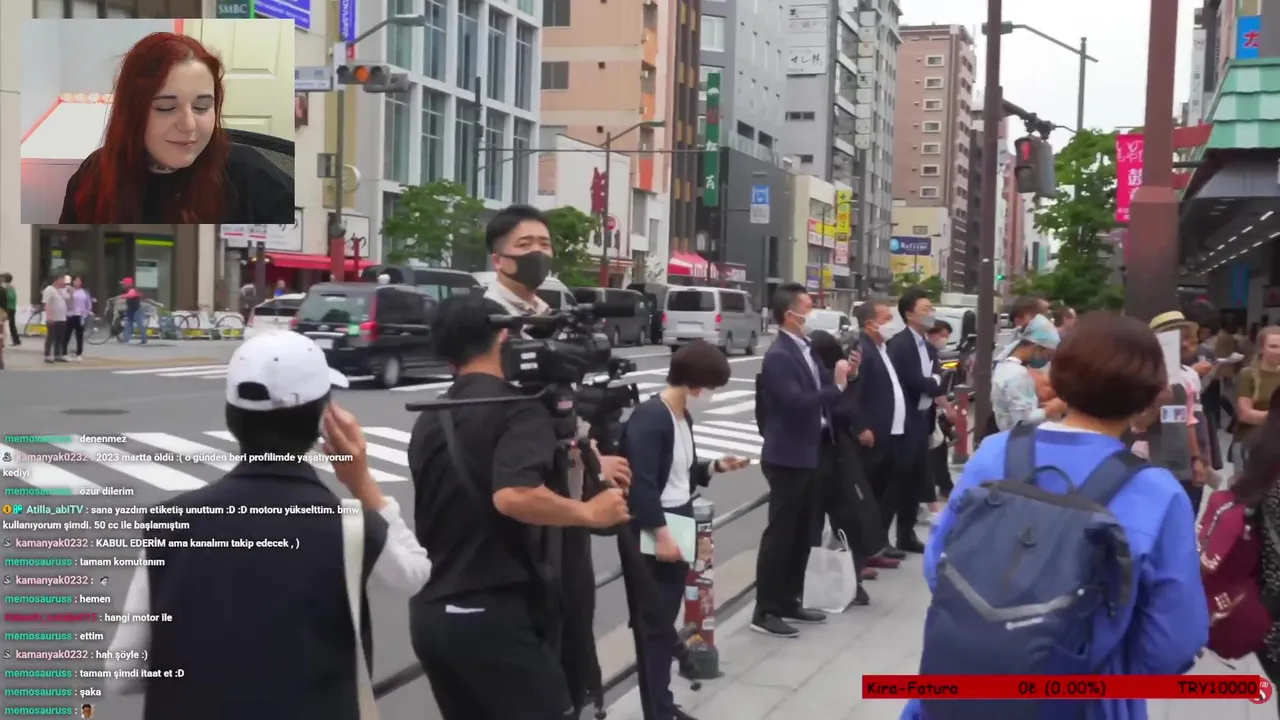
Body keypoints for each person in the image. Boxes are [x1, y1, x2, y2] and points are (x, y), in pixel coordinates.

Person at [104, 331, 433, 718]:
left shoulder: (172, 520)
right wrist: (362, 483)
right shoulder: (348, 526)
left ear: (232, 417)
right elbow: (415, 573)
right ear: (322, 420)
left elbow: (122, 671)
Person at [901, 312, 1208, 720]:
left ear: (1060, 376)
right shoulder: (1157, 492)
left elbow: (937, 566)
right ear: (1150, 395)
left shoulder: (995, 452)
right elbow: (1172, 641)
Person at [406, 294, 631, 720]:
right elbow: (513, 494)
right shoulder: (519, 410)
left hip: (432, 616)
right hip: (491, 615)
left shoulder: (431, 416)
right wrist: (589, 512)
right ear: (502, 338)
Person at [623, 340, 750, 720]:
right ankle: (658, 710)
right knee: (655, 624)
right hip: (657, 522)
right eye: (711, 387)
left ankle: (663, 705)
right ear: (695, 382)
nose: (710, 395)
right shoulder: (652, 417)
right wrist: (661, 533)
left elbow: (680, 472)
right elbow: (643, 484)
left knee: (664, 615)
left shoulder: (682, 417)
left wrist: (715, 467)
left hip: (679, 515)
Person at [59, 33, 293, 224]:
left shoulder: (252, 178)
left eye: (202, 107)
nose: (189, 125)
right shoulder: (94, 176)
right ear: (132, 112)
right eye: (166, 108)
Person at [752, 283, 854, 638]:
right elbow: (795, 402)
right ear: (790, 315)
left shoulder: (806, 349)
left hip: (811, 451)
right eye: (808, 307)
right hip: (787, 456)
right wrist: (836, 387)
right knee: (781, 534)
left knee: (803, 532)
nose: (812, 313)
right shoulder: (779, 356)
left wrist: (843, 377)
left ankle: (789, 599)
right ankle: (765, 609)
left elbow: (823, 387)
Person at [807, 329, 885, 588]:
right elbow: (839, 411)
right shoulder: (822, 381)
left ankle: (847, 573)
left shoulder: (833, 378)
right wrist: (842, 383)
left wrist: (851, 376)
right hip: (829, 457)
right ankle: (826, 577)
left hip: (836, 456)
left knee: (843, 518)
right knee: (833, 519)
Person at [885, 288, 955, 553]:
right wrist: (933, 383)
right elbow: (914, 381)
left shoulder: (927, 345)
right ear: (909, 314)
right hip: (903, 421)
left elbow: (937, 378)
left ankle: (906, 534)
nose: (931, 313)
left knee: (915, 481)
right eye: (926, 309)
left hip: (922, 419)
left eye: (932, 308)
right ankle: (881, 540)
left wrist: (933, 383)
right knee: (897, 481)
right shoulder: (900, 344)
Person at [848, 300, 911, 567]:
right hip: (872, 434)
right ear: (870, 323)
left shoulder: (883, 348)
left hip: (891, 432)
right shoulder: (861, 348)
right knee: (868, 495)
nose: (892, 323)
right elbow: (852, 391)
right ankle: (864, 553)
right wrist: (860, 426)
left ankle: (878, 545)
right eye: (886, 318)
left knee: (884, 494)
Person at [991, 314, 1064, 430]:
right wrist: (1049, 410)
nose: (1047, 360)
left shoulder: (1004, 367)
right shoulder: (1017, 374)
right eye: (1048, 355)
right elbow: (1021, 420)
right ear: (1037, 347)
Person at [1234, 326, 1280, 475]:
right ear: (1261, 348)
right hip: (1251, 443)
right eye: (1273, 346)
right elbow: (1245, 414)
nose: (1278, 351)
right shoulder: (1248, 375)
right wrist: (1275, 418)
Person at [41, 275, 69, 364]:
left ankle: (58, 355)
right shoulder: (49, 290)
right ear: (56, 280)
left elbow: (68, 298)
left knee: (60, 337)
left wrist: (66, 289)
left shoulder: (61, 290)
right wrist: (49, 317)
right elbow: (46, 304)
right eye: (61, 280)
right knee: (51, 337)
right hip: (53, 318)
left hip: (62, 318)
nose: (63, 282)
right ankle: (47, 355)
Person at [65, 276, 91, 361]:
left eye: (79, 281)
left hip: (80, 315)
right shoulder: (69, 290)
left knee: (79, 335)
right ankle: (64, 353)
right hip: (70, 315)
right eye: (76, 281)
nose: (77, 282)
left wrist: (86, 312)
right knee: (67, 335)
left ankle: (79, 353)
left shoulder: (84, 292)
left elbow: (88, 303)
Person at [120, 278, 147, 345]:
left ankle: (144, 339)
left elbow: (131, 295)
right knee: (128, 325)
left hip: (136, 310)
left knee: (140, 325)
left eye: (124, 284)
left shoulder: (133, 290)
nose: (123, 285)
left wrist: (123, 296)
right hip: (130, 310)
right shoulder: (128, 290)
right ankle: (126, 340)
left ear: (128, 284)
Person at [1, 273, 18, 346]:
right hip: (11, 307)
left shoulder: (8, 287)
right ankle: (16, 340)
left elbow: (11, 297)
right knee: (11, 324)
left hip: (9, 308)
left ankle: (15, 340)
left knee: (10, 324)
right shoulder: (10, 287)